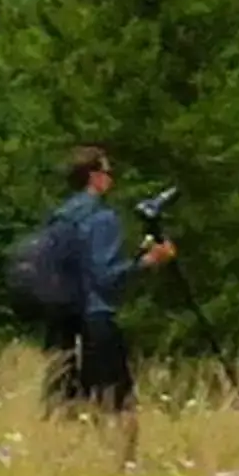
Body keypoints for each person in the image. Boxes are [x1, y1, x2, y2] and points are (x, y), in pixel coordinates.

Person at [42, 146, 174, 456]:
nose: (111, 178)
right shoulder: (101, 218)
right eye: (108, 172)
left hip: (62, 322)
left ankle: (66, 465)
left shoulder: (59, 219)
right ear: (95, 176)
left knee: (67, 403)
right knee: (119, 405)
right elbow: (106, 276)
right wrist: (149, 261)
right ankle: (122, 465)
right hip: (96, 320)